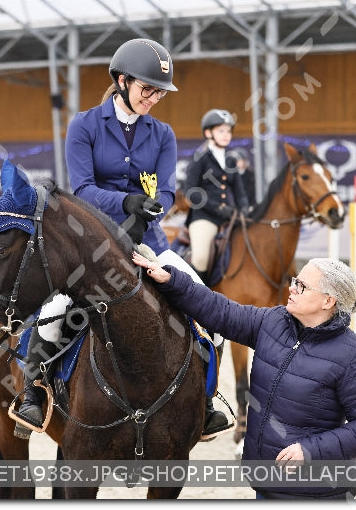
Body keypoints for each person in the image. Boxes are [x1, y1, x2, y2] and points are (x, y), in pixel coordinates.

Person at [13, 38, 229, 440]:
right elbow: (81, 189)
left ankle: (207, 402)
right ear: (122, 80)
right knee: (54, 311)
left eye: (160, 92)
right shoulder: (85, 125)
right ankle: (33, 392)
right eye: (148, 88)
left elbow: (167, 191)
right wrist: (127, 202)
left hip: (149, 241)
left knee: (209, 311)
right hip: (90, 241)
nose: (154, 98)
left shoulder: (162, 133)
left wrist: (150, 210)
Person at [132, 252, 356, 500]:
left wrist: (310, 451)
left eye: (302, 286)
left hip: (317, 492)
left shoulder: (355, 356)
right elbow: (221, 311)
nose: (292, 289)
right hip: (267, 482)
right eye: (295, 281)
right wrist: (173, 281)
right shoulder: (274, 321)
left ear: (328, 301)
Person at [184, 109, 250, 285]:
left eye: (228, 131)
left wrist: (244, 209)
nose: (226, 135)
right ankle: (196, 294)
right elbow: (191, 192)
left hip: (229, 218)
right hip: (205, 218)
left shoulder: (231, 161)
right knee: (200, 258)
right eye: (221, 131)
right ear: (208, 133)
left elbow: (239, 192)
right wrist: (218, 208)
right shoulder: (200, 158)